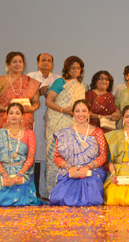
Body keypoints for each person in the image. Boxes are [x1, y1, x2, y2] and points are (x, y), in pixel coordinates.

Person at [49, 99, 107, 206]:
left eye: (84, 111)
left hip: (91, 172)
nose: (81, 114)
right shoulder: (63, 133)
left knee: (91, 200)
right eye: (77, 111)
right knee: (59, 199)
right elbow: (57, 157)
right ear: (73, 113)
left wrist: (87, 167)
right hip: (69, 172)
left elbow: (103, 156)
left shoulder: (97, 132)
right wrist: (70, 168)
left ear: (89, 113)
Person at [43, 56, 87, 198]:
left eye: (78, 68)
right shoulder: (60, 82)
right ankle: (53, 192)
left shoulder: (81, 86)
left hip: (75, 125)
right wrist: (64, 110)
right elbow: (49, 101)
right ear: (67, 69)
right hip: (58, 123)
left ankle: (70, 191)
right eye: (72, 68)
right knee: (54, 158)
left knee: (73, 157)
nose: (75, 70)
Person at [0, 103, 42, 206]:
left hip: (22, 171)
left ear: (22, 116)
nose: (14, 116)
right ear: (6, 116)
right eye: (11, 113)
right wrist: (4, 174)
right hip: (3, 172)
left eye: (17, 113)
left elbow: (30, 158)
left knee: (24, 201)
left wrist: (20, 174)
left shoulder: (29, 133)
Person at [27, 53, 61, 197]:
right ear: (37, 62)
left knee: (47, 155)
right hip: (33, 117)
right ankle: (33, 191)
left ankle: (45, 191)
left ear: (52, 63)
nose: (46, 63)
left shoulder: (58, 79)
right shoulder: (30, 76)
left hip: (52, 119)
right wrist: (37, 93)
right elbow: (24, 97)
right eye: (43, 60)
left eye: (49, 61)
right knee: (33, 154)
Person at [0, 52, 40, 130]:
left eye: (20, 62)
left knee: (22, 141)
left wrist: (32, 108)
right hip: (4, 120)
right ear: (8, 64)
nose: (18, 64)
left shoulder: (30, 82)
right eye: (14, 62)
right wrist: (8, 110)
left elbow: (36, 102)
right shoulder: (1, 80)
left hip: (24, 121)